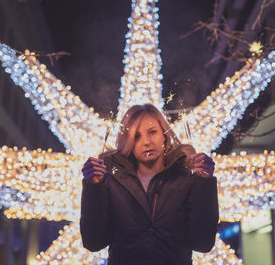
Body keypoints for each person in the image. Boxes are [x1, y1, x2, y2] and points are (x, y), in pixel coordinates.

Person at [80, 104, 219, 265]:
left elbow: (203, 242)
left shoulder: (185, 177)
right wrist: (93, 187)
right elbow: (93, 241)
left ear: (164, 135)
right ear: (128, 141)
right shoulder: (111, 179)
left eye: (152, 132)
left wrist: (205, 182)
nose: (146, 142)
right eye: (136, 136)